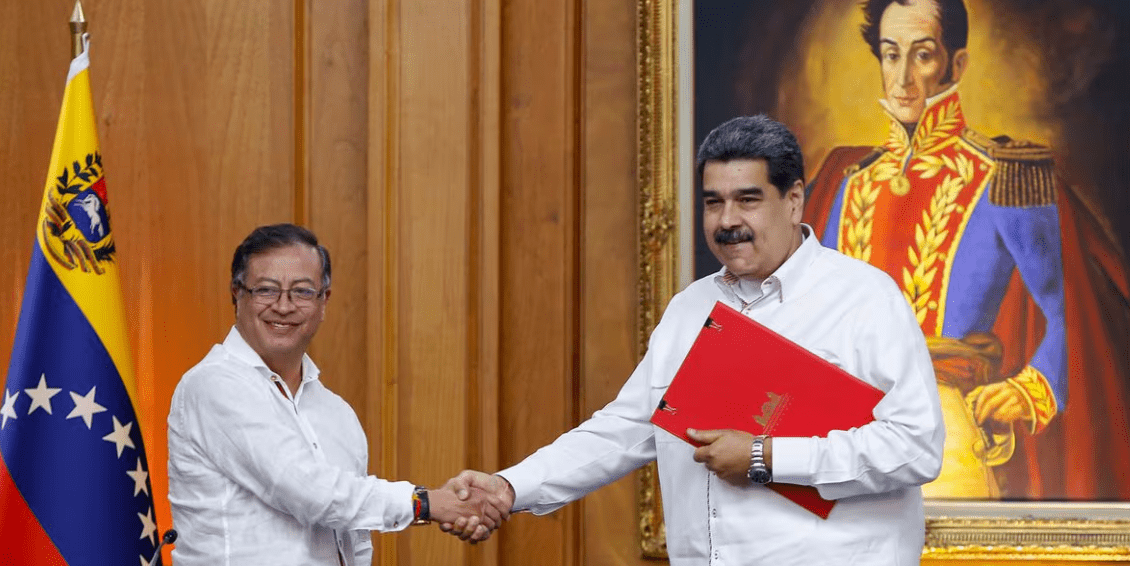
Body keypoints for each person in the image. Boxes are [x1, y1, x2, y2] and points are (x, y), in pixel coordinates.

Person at [444, 116, 945, 564]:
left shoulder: (864, 298)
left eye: (747, 200)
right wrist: (509, 488)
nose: (727, 221)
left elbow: (916, 447)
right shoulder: (691, 308)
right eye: (714, 203)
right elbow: (626, 429)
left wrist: (765, 457)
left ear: (793, 201)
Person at [804, 0, 1130, 499]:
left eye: (923, 55)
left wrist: (1029, 389)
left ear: (956, 65)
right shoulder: (847, 182)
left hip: (944, 424)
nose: (903, 78)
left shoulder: (1006, 177)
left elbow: (1066, 315)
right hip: (837, 425)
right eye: (891, 55)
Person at [167, 224, 504, 565]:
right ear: (237, 294)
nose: (283, 307)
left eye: (302, 292)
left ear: (323, 300)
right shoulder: (212, 386)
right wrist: (427, 504)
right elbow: (306, 490)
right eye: (266, 290)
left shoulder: (336, 413)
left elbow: (354, 540)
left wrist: (445, 505)